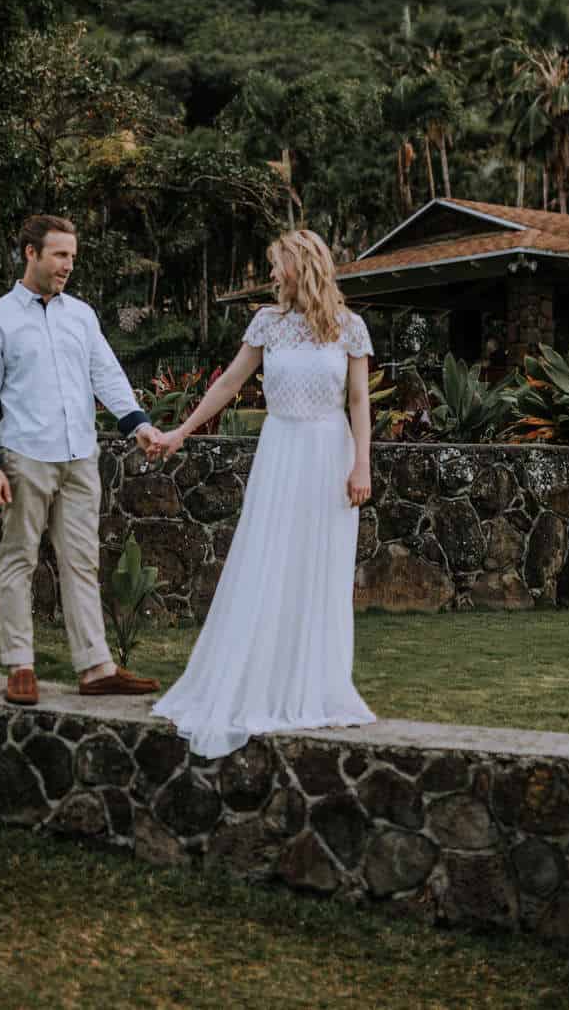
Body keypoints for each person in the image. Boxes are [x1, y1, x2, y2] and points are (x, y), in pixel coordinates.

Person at [151, 229, 377, 758]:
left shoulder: (350, 328)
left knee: (319, 567)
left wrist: (362, 464)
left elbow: (359, 401)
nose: (272, 274)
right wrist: (182, 431)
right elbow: (229, 383)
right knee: (267, 559)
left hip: (330, 455)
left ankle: (314, 686)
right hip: (280, 452)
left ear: (302, 267)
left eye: (277, 265)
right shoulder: (267, 324)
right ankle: (258, 682)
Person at [0, 214, 164, 706]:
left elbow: (106, 373)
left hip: (80, 457)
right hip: (25, 457)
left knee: (81, 561)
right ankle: (20, 665)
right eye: (59, 254)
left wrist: (138, 424)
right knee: (19, 558)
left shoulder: (81, 315)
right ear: (30, 253)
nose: (68, 265)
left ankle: (96, 668)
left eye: (72, 256)